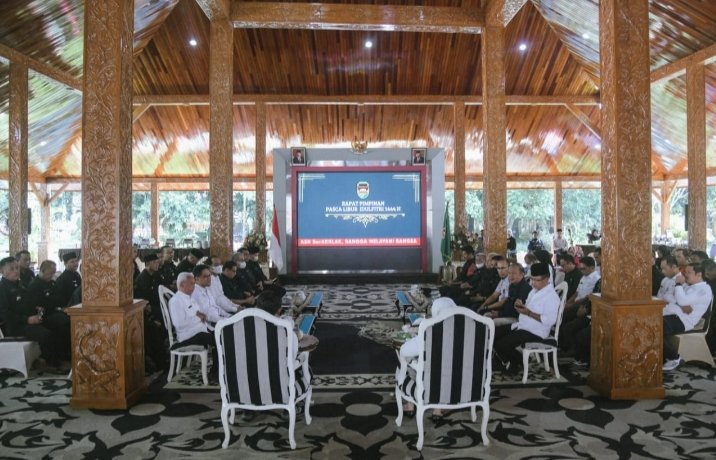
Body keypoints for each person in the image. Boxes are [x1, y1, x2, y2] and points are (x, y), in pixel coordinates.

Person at [1, 257, 70, 371]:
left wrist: (36, 309)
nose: (16, 271)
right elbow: (5, 315)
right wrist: (27, 320)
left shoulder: (21, 285)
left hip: (30, 320)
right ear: (2, 271)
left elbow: (28, 303)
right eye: (11, 269)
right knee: (46, 334)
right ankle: (50, 363)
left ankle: (62, 356)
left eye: (17, 268)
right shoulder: (2, 289)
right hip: (16, 326)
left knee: (58, 326)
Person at [494, 262, 560, 374]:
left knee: (502, 344)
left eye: (537, 280)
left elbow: (549, 321)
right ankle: (514, 361)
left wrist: (528, 313)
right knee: (493, 334)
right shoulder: (534, 291)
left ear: (546, 279)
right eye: (532, 279)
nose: (533, 283)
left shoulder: (551, 297)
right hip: (522, 325)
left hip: (536, 331)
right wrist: (520, 305)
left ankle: (517, 362)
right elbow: (528, 307)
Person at [399, 296, 458, 420]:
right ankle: (438, 408)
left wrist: (412, 333)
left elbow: (404, 350)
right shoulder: (471, 330)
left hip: (431, 382)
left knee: (409, 360)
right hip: (462, 384)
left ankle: (410, 404)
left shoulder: (431, 331)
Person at [168, 272, 219, 381]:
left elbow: (196, 312)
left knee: (222, 334)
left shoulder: (189, 297)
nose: (194, 286)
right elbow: (179, 324)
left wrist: (200, 315)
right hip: (188, 335)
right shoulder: (176, 301)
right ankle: (215, 372)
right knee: (218, 341)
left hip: (199, 330)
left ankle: (220, 368)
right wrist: (198, 318)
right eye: (191, 284)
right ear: (182, 285)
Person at [662, 263, 712, 371]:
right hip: (672, 315)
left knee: (654, 329)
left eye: (689, 272)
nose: (685, 275)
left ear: (699, 274)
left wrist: (678, 286)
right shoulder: (688, 286)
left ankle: (674, 358)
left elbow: (682, 300)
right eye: (685, 272)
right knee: (650, 324)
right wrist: (680, 303)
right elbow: (666, 295)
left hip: (683, 320)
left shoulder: (704, 290)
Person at [133, 252, 170, 372]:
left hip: (159, 308)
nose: (158, 264)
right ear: (148, 264)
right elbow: (143, 303)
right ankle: (161, 361)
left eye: (158, 262)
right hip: (148, 313)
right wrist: (153, 318)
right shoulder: (142, 279)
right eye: (155, 262)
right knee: (155, 329)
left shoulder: (156, 275)